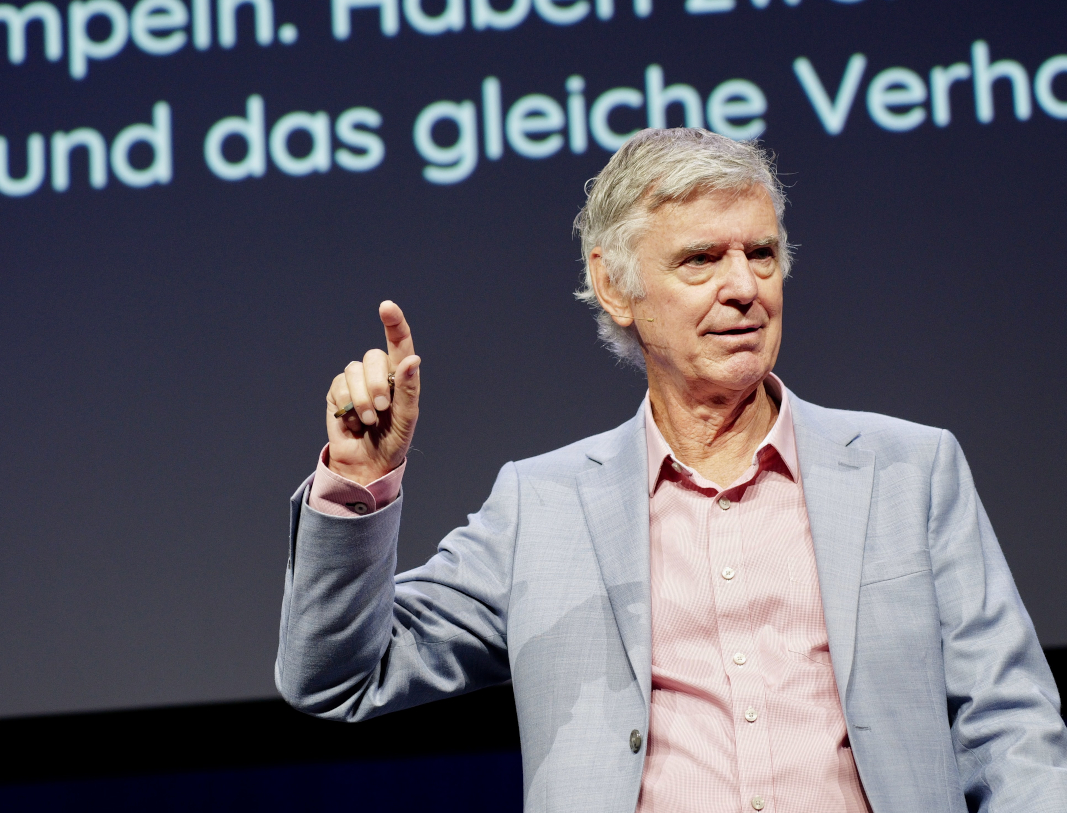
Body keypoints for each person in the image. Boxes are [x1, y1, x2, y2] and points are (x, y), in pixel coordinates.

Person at [274, 128, 1067, 812]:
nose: (744, 288)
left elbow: (1011, 724)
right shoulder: (543, 508)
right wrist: (358, 482)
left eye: (761, 254)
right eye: (700, 260)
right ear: (617, 286)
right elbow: (336, 676)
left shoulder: (910, 471)